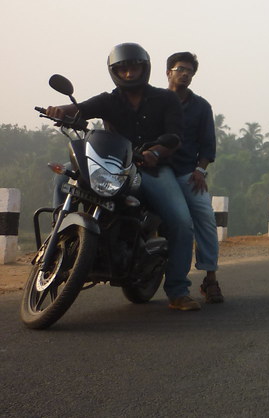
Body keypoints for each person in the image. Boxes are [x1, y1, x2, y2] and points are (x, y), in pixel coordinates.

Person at [45, 43, 199, 311]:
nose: (128, 74)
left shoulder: (166, 99)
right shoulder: (109, 99)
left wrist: (155, 152)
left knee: (182, 222)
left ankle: (177, 291)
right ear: (114, 71)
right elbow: (79, 108)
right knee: (62, 179)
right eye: (123, 69)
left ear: (145, 68)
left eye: (134, 68)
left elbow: (175, 137)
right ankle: (60, 239)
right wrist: (58, 110)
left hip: (150, 168)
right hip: (111, 166)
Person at [165, 51, 223, 304]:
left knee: (205, 218)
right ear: (168, 72)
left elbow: (208, 145)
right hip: (153, 171)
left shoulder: (201, 107)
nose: (185, 74)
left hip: (187, 173)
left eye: (189, 71)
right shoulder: (155, 101)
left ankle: (210, 278)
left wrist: (200, 170)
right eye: (180, 69)